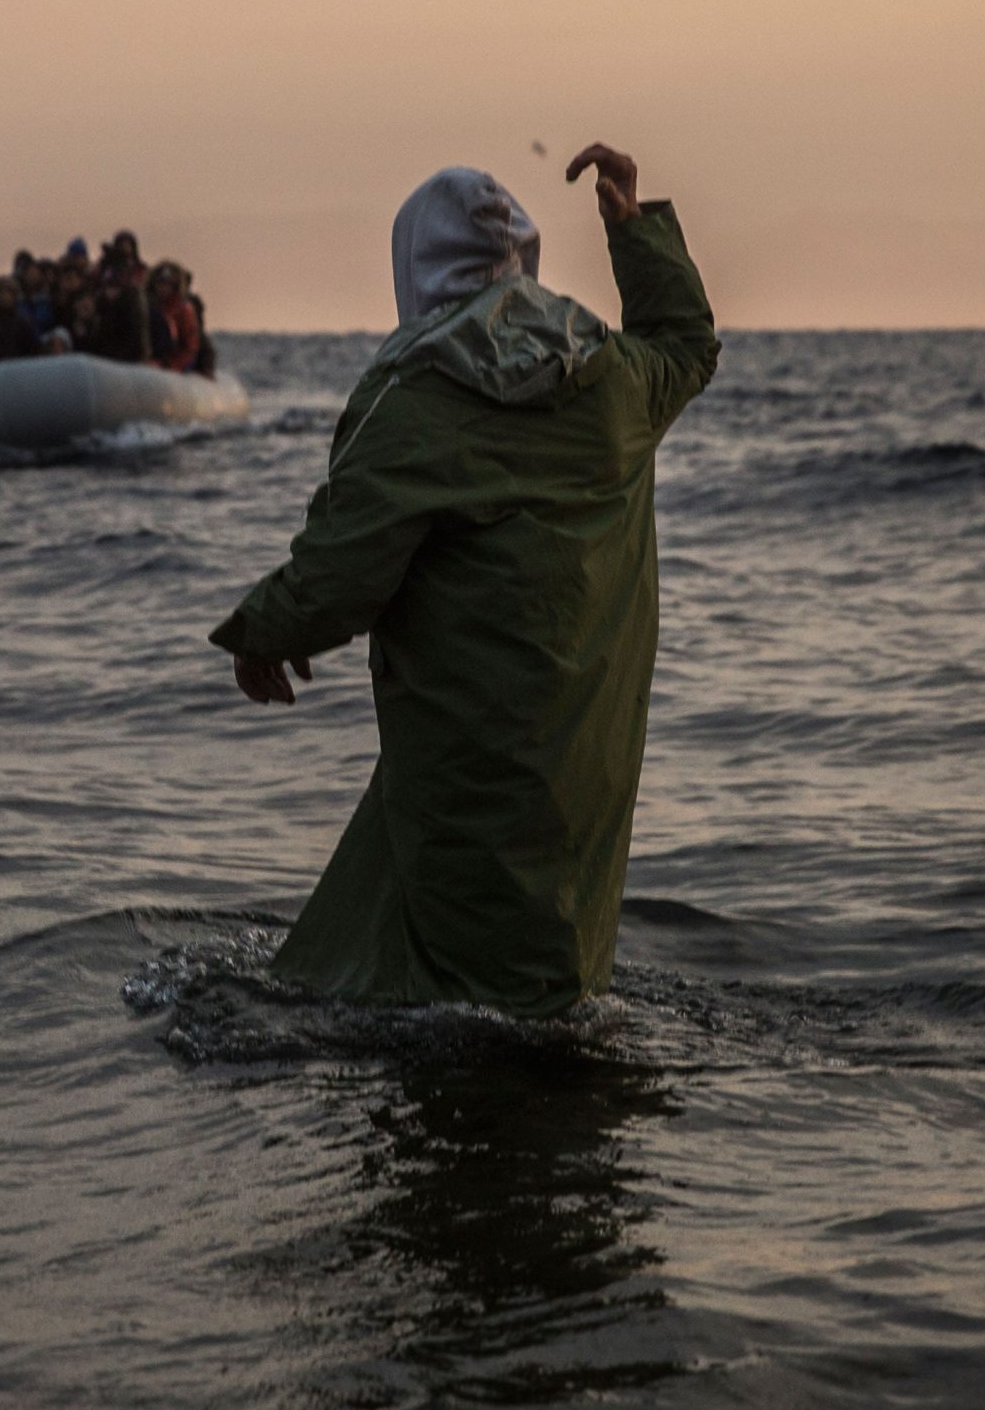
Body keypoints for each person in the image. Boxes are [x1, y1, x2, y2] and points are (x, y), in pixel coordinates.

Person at [209, 145, 717, 1018]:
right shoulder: (611, 378)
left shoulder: (414, 396)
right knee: (548, 967)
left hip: (468, 744)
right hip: (587, 746)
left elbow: (341, 570)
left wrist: (263, 635)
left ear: (414, 266)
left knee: (458, 987)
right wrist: (634, 232)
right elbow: (687, 347)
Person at [148, 261, 203, 372]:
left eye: (168, 284)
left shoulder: (184, 310)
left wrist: (171, 365)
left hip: (174, 362)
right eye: (160, 283)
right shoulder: (146, 305)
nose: (163, 288)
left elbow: (190, 347)